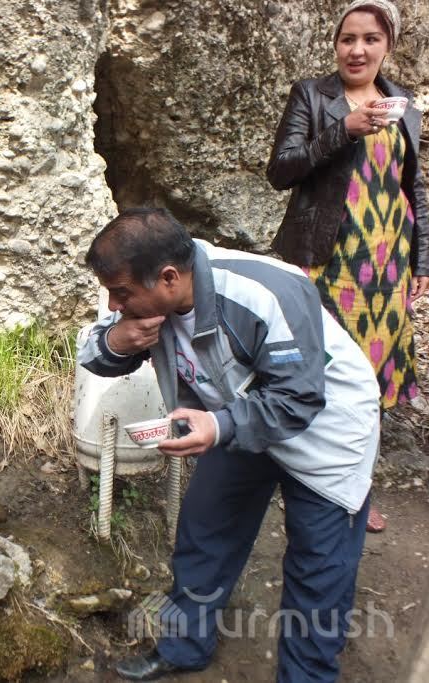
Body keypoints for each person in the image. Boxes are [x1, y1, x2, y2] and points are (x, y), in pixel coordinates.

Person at [79, 208, 380, 682]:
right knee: (204, 532)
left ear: (169, 277)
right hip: (236, 416)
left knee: (318, 569)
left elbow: (299, 398)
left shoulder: (265, 291)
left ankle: (306, 676)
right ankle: (184, 647)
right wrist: (119, 340)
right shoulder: (144, 296)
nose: (115, 304)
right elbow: (94, 353)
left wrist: (218, 427)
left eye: (121, 294)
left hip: (326, 431)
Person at [267, 0, 428, 533]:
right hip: (326, 263)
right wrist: (344, 129)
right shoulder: (313, 96)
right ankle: (305, 485)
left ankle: (356, 488)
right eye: (347, 38)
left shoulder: (404, 106)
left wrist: (422, 258)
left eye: (370, 39)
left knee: (370, 383)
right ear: (335, 44)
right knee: (320, 372)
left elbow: (413, 188)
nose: (357, 50)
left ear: (389, 46)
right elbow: (281, 170)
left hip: (386, 268)